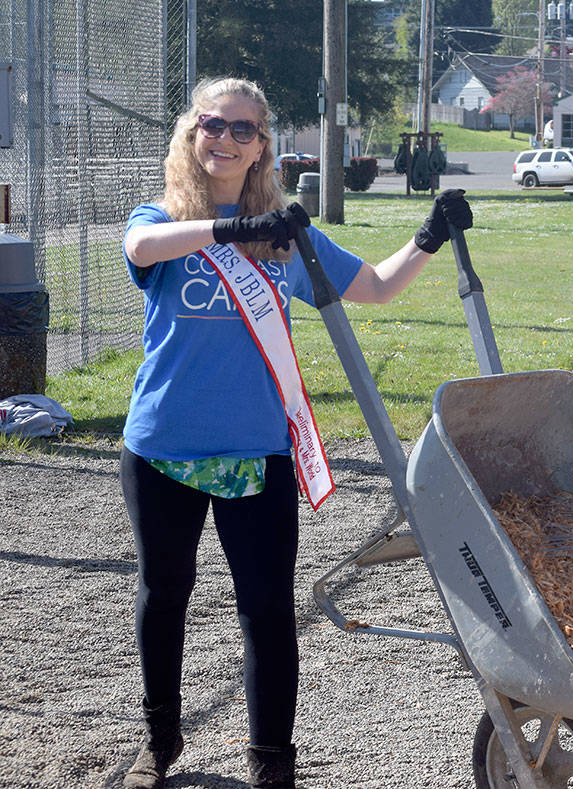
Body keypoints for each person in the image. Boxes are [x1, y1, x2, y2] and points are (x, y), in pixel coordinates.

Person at [119, 76, 472, 788]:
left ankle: (272, 764)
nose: (224, 138)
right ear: (193, 134)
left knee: (268, 612)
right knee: (165, 592)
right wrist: (227, 231)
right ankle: (158, 741)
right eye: (212, 125)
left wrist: (430, 234)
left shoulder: (284, 238)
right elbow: (145, 246)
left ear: (261, 149)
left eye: (241, 130)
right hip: (162, 449)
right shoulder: (157, 216)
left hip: (258, 453)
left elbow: (373, 284)